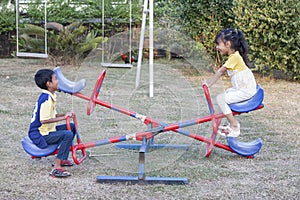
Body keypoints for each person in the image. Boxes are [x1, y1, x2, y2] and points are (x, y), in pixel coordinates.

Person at [203, 28, 257, 137]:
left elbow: (220, 72)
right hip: (244, 88)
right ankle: (229, 122)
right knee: (226, 93)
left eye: (219, 44)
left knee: (220, 98)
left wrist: (209, 84)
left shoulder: (234, 58)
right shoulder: (234, 56)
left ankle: (234, 125)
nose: (217, 47)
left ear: (227, 44)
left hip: (246, 90)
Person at [28, 69, 76, 178]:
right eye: (55, 79)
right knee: (67, 134)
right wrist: (64, 117)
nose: (58, 81)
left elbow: (52, 116)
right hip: (40, 134)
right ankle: (56, 168)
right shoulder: (46, 99)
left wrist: (66, 114)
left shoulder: (50, 96)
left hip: (48, 130)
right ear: (49, 84)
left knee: (71, 127)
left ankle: (62, 158)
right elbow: (43, 120)